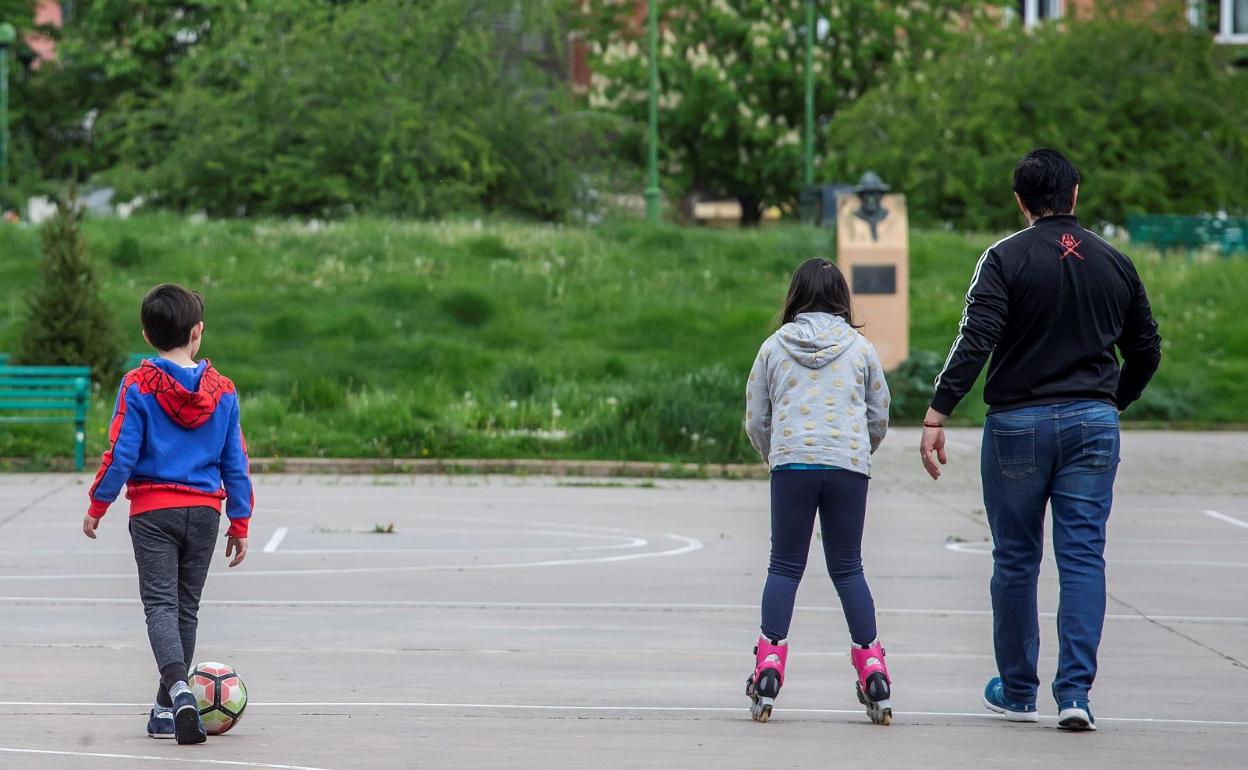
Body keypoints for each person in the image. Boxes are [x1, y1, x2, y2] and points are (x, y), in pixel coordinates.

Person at [920, 149, 1162, 731]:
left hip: (1017, 426)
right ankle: (1075, 694)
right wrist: (1111, 401)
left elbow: (975, 340)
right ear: (1075, 193)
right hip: (1093, 425)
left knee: (1016, 558)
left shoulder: (1003, 259)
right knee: (1082, 557)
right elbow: (1147, 349)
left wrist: (938, 410)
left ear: (1020, 201)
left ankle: (1019, 689)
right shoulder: (1116, 262)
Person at [82, 283, 254, 744]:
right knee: (187, 609)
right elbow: (235, 461)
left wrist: (99, 503)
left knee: (160, 605)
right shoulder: (224, 391)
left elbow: (121, 452)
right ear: (197, 332)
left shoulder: (138, 384)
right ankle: (166, 707)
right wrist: (240, 521)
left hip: (153, 513)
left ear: (146, 334)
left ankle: (178, 692)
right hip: (204, 513)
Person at [743, 258, 893, 725]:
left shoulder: (773, 347)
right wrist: (858, 451)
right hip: (848, 464)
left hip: (793, 463)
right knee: (848, 567)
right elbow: (879, 413)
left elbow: (756, 417)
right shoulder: (861, 348)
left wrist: (775, 453)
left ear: (795, 296)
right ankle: (872, 669)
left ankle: (768, 666)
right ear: (842, 300)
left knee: (785, 566)